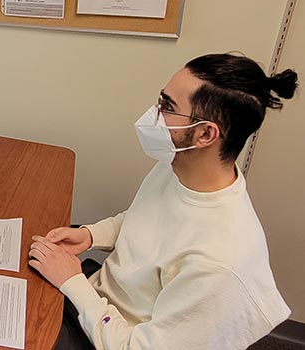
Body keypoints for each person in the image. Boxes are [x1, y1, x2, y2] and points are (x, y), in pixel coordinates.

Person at [28, 53, 297, 349]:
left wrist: (73, 283)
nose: (154, 114)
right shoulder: (179, 167)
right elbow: (143, 218)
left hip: (112, 335)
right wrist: (91, 234)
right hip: (98, 300)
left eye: (167, 106)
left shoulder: (220, 263)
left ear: (205, 133)